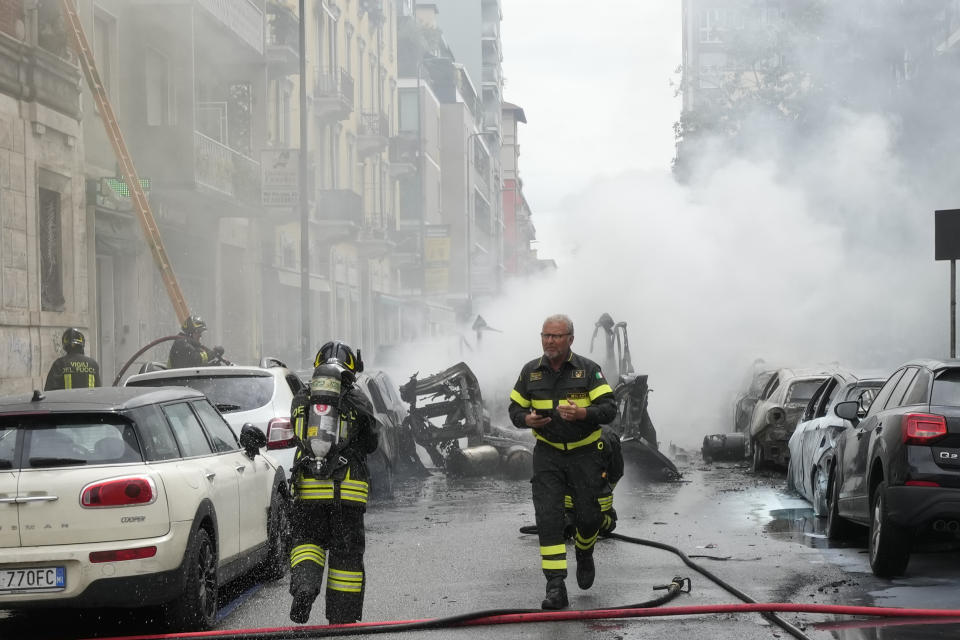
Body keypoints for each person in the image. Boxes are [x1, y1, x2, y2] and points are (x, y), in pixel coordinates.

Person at [508, 314, 616, 610]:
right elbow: (514, 408)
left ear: (570, 338)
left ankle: (584, 552)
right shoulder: (531, 372)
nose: (549, 342)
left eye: (556, 336)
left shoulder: (588, 370)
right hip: (548, 454)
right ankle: (555, 585)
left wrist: (582, 414)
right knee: (548, 518)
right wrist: (525, 419)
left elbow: (609, 409)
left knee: (588, 516)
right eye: (545, 336)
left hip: (585, 454)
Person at [288, 341, 379, 625]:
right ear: (351, 368)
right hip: (347, 494)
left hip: (308, 492)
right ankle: (342, 618)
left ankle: (305, 588)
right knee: (346, 557)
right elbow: (371, 443)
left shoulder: (302, 398)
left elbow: (297, 434)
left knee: (306, 542)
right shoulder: (357, 399)